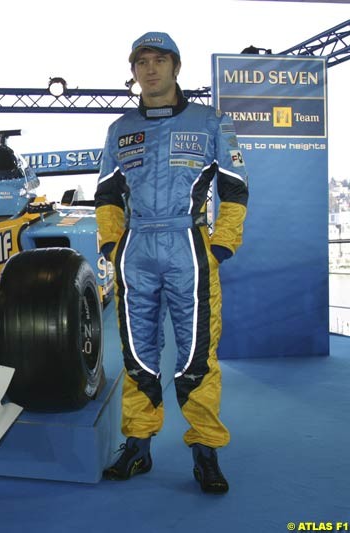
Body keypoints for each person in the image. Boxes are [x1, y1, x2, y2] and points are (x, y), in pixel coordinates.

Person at [94, 32, 249, 494]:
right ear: (134, 71)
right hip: (136, 251)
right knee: (137, 355)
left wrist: (220, 245)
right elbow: (106, 194)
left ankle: (205, 452)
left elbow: (235, 187)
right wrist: (110, 245)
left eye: (160, 60)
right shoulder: (120, 129)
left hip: (189, 247)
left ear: (176, 67)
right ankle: (137, 447)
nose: (151, 69)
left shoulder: (211, 122)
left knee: (197, 357)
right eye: (142, 62)